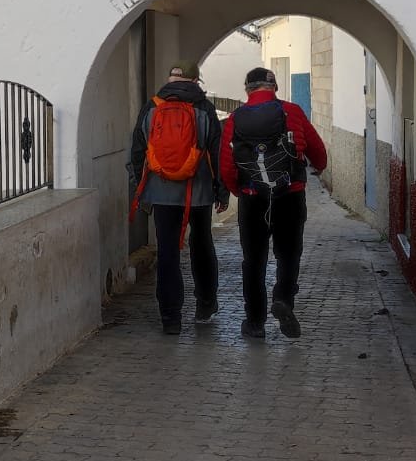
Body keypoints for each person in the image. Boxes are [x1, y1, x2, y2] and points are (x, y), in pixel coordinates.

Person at [220, 66, 327, 340]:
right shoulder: (293, 112)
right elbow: (319, 155)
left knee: (253, 261)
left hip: (252, 198)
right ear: (275, 87)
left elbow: (227, 166)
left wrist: (240, 191)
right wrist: (316, 168)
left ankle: (255, 323)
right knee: (288, 255)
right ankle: (283, 299)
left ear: (247, 90)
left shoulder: (235, 119)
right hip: (290, 195)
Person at [128, 61, 230, 334]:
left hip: (161, 191)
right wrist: (222, 191)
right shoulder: (204, 108)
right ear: (195, 81)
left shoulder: (152, 106)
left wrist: (142, 186)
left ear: (170, 78)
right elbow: (218, 153)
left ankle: (170, 317)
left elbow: (137, 151)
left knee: (168, 251)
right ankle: (206, 303)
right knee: (202, 244)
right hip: (198, 191)